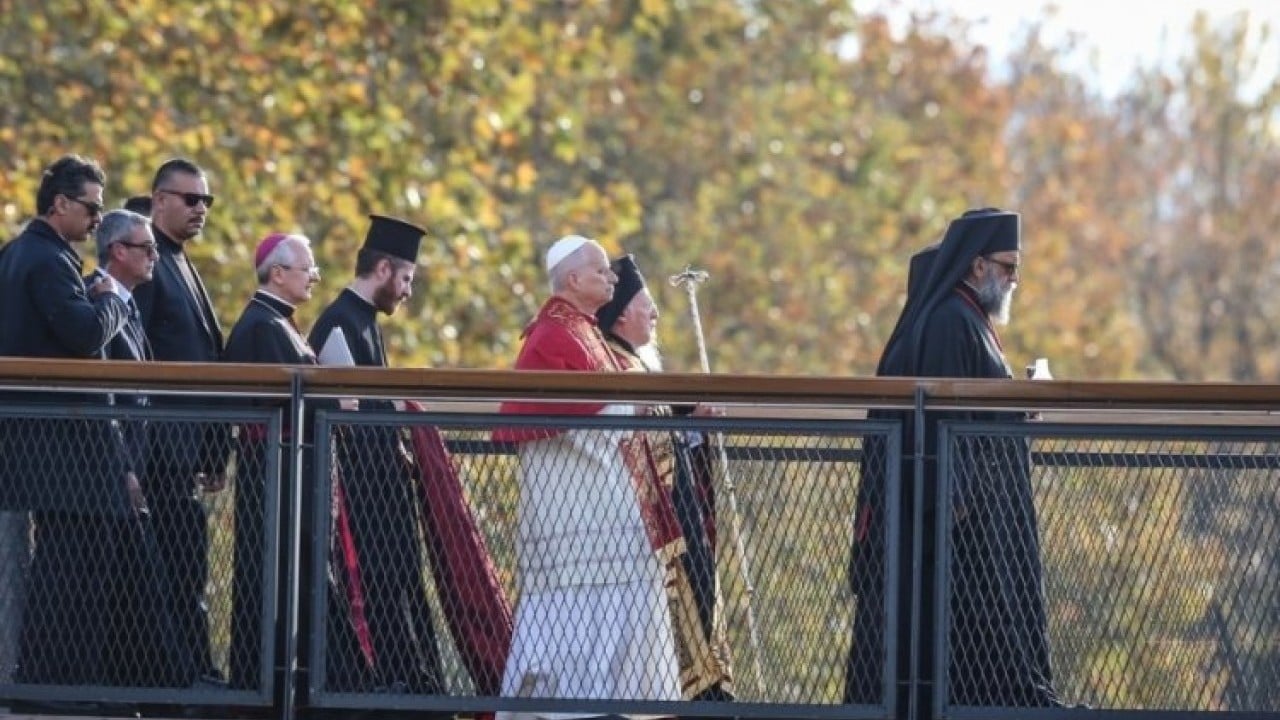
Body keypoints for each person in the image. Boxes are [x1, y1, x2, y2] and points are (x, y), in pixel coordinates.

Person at [845, 208, 1061, 710]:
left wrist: (1018, 408)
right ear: (977, 265)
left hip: (973, 522)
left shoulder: (969, 318)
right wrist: (958, 507)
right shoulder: (950, 321)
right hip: (960, 533)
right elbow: (942, 422)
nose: (1014, 279)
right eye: (1008, 267)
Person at [493, 236, 681, 719]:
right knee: (574, 624)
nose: (611, 279)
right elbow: (574, 415)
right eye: (601, 272)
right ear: (573, 280)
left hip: (605, 503)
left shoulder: (585, 330)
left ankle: (616, 705)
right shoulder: (551, 336)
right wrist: (632, 405)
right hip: (575, 518)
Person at [0, 155, 131, 685]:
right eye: (92, 208)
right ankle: (56, 682)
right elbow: (82, 335)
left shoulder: (14, 253)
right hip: (61, 439)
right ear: (60, 205)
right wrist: (112, 301)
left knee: (63, 558)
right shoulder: (49, 261)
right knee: (71, 563)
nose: (99, 219)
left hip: (35, 434)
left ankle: (56, 680)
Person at [307, 215, 445, 693]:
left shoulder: (366, 321)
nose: (407, 291)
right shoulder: (339, 323)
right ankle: (389, 683)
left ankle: (413, 676)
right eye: (406, 279)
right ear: (383, 270)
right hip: (360, 497)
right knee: (379, 591)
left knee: (401, 584)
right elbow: (344, 419)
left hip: (384, 490)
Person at [595, 254, 735, 702]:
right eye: (646, 305)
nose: (655, 313)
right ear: (620, 317)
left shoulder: (636, 364)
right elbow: (646, 445)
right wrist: (689, 424)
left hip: (675, 518)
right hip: (646, 534)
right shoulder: (618, 367)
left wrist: (695, 423)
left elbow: (667, 434)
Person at [132, 157, 228, 686]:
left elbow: (205, 359)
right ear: (158, 199)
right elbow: (136, 354)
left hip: (185, 453)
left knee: (188, 567)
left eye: (206, 201)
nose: (200, 210)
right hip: (158, 454)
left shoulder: (182, 262)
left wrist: (214, 451)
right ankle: (177, 681)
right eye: (191, 199)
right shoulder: (149, 263)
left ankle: (193, 674)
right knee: (168, 573)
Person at [91, 209, 187, 687]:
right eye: (146, 248)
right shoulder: (100, 299)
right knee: (120, 584)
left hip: (135, 467)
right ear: (118, 252)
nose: (155, 256)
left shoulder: (128, 304)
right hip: (109, 473)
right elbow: (103, 394)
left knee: (138, 583)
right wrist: (124, 468)